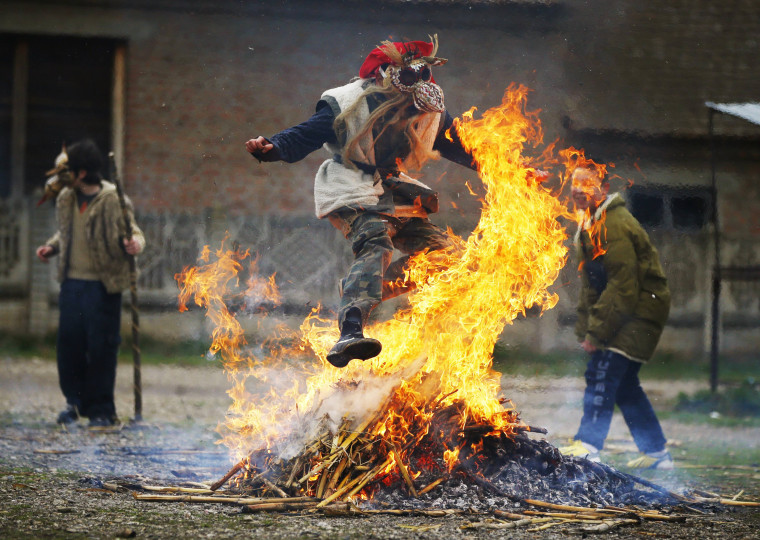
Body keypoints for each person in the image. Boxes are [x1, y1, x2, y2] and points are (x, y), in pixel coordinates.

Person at [245, 36, 476, 368]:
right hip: (350, 186)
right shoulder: (347, 103)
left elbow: (464, 146)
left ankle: (361, 287)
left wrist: (513, 169)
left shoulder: (429, 110)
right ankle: (350, 331)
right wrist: (274, 146)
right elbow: (306, 133)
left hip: (393, 189)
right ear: (384, 78)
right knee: (376, 244)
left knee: (446, 255)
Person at [559, 166, 674, 470]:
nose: (578, 189)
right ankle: (658, 455)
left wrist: (597, 334)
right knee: (624, 385)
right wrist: (587, 329)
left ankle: (587, 445)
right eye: (574, 183)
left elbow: (622, 286)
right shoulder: (591, 222)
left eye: (587, 183)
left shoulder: (614, 224)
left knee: (602, 373)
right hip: (629, 308)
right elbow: (593, 285)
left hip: (639, 309)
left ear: (603, 186)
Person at [36, 139, 145, 427]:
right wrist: (51, 247)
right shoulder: (67, 198)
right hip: (72, 285)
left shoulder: (113, 199)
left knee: (101, 348)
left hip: (103, 287)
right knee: (69, 346)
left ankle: (100, 409)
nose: (61, 177)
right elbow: (66, 233)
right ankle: (74, 403)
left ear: (81, 173)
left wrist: (135, 244)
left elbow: (134, 232)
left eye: (67, 171)